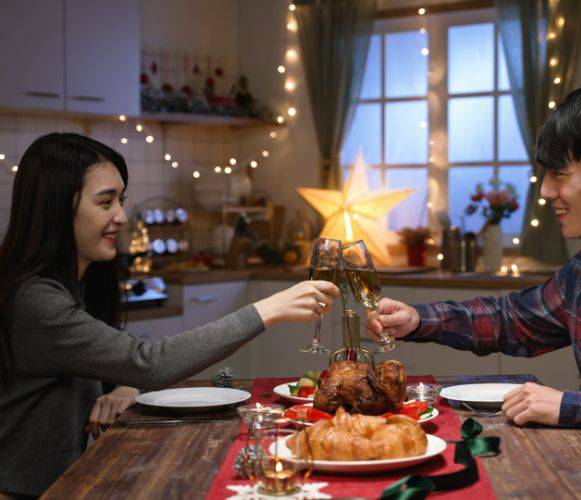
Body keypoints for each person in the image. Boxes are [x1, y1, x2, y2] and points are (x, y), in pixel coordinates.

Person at [367, 83, 581, 495]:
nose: (544, 191)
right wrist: (418, 320)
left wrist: (574, 407)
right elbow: (513, 320)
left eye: (559, 173)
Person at [0, 133, 339, 498]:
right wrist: (267, 310)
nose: (122, 216)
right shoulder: (35, 300)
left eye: (122, 200)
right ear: (57, 208)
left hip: (70, 483)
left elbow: (122, 360)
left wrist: (123, 382)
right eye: (106, 202)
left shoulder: (76, 284)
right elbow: (149, 361)